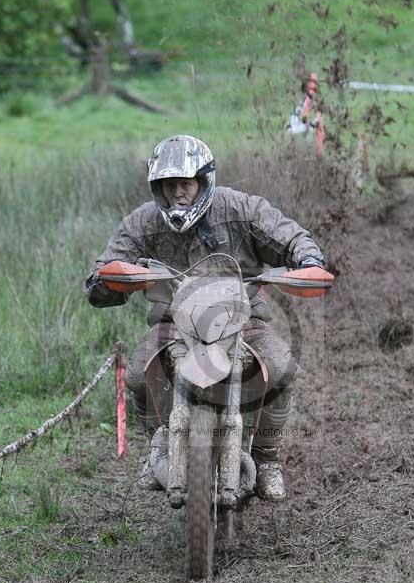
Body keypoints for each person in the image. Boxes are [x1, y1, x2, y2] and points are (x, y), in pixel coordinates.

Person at [85, 135, 326, 502]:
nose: (178, 193)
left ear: (203, 181)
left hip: (242, 321)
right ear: (158, 188)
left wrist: (308, 261)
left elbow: (290, 236)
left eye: (185, 183)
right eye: (169, 185)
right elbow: (105, 267)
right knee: (137, 375)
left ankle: (266, 459)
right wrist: (106, 281)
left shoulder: (241, 209)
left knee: (281, 367)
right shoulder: (145, 222)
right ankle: (157, 448)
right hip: (172, 323)